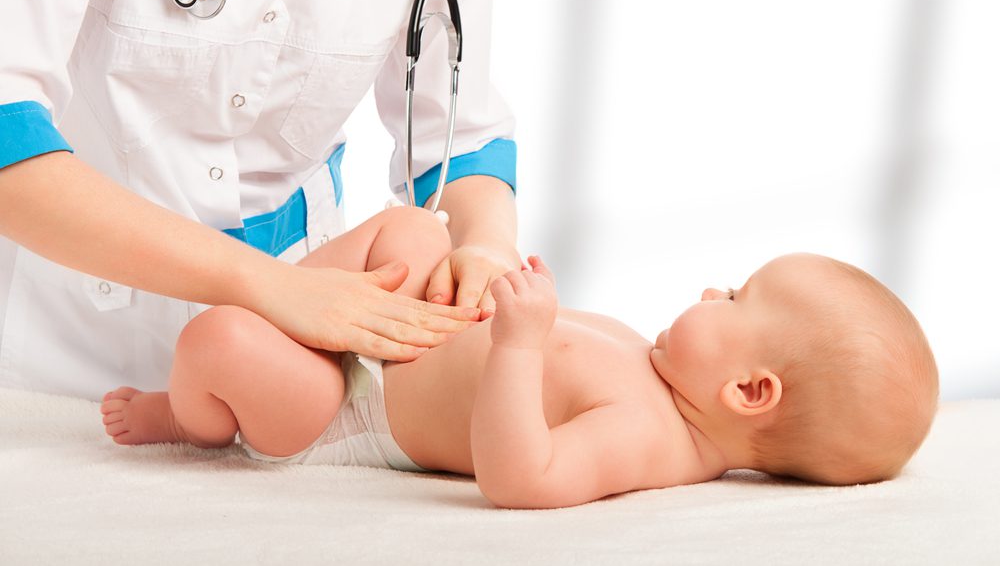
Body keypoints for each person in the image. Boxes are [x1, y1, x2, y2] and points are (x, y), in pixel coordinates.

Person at [0, 0, 519, 400]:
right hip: (72, 359)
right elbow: (9, 137)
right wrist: (269, 287)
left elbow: (459, 142)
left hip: (296, 370)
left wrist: (489, 248)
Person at [101, 206, 940, 509]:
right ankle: (302, 306)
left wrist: (517, 344)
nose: (715, 289)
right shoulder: (659, 373)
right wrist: (483, 289)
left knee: (216, 338)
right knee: (417, 230)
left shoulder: (655, 441)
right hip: (392, 341)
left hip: (349, 412)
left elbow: (521, 475)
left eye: (737, 298)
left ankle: (180, 414)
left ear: (750, 389)